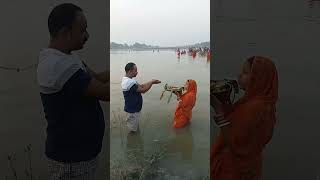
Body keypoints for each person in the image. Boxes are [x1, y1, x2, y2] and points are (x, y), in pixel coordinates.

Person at [37, 3, 109, 179]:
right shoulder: (58, 66)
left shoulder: (68, 57)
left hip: (80, 156)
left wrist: (123, 72)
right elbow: (104, 93)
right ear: (65, 32)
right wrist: (130, 81)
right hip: (70, 161)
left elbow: (97, 78)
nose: (87, 35)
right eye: (82, 30)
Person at [210, 56, 278, 180]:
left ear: (259, 78)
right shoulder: (261, 103)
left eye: (245, 73)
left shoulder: (255, 108)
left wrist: (218, 109)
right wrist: (224, 100)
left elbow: (234, 142)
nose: (239, 75)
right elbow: (237, 124)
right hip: (249, 166)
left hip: (234, 169)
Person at [121, 62, 161, 133]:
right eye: (135, 70)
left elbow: (141, 86)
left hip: (134, 109)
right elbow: (143, 90)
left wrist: (151, 81)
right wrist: (151, 82)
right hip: (132, 110)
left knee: (134, 127)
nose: (137, 72)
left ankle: (135, 139)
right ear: (130, 71)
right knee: (133, 131)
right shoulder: (128, 82)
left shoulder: (130, 80)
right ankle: (132, 142)